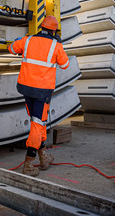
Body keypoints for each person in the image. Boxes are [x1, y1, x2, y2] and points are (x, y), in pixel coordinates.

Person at [8, 15, 69, 176]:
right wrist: (60, 45)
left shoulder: (28, 40)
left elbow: (12, 48)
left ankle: (44, 157)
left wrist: (19, 40)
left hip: (26, 88)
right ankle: (29, 162)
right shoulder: (56, 45)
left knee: (38, 122)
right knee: (37, 124)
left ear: (41, 27)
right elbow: (65, 64)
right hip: (42, 91)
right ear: (54, 31)